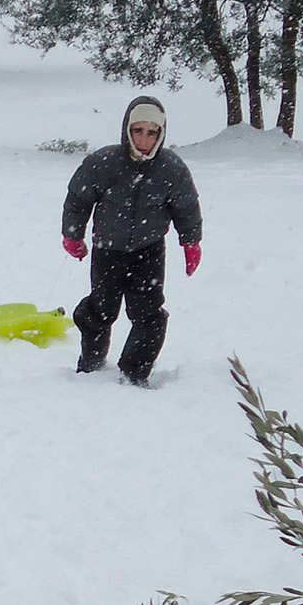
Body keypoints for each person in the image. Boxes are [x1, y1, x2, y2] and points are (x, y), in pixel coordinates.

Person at [60, 95, 203, 387]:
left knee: (149, 315)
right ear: (127, 129)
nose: (144, 139)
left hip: (148, 251)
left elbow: (186, 207)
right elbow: (78, 198)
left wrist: (190, 242)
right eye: (138, 130)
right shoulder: (104, 163)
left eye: (152, 132)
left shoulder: (171, 169)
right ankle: (91, 363)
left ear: (161, 135)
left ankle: (135, 372)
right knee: (101, 310)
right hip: (108, 251)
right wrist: (73, 234)